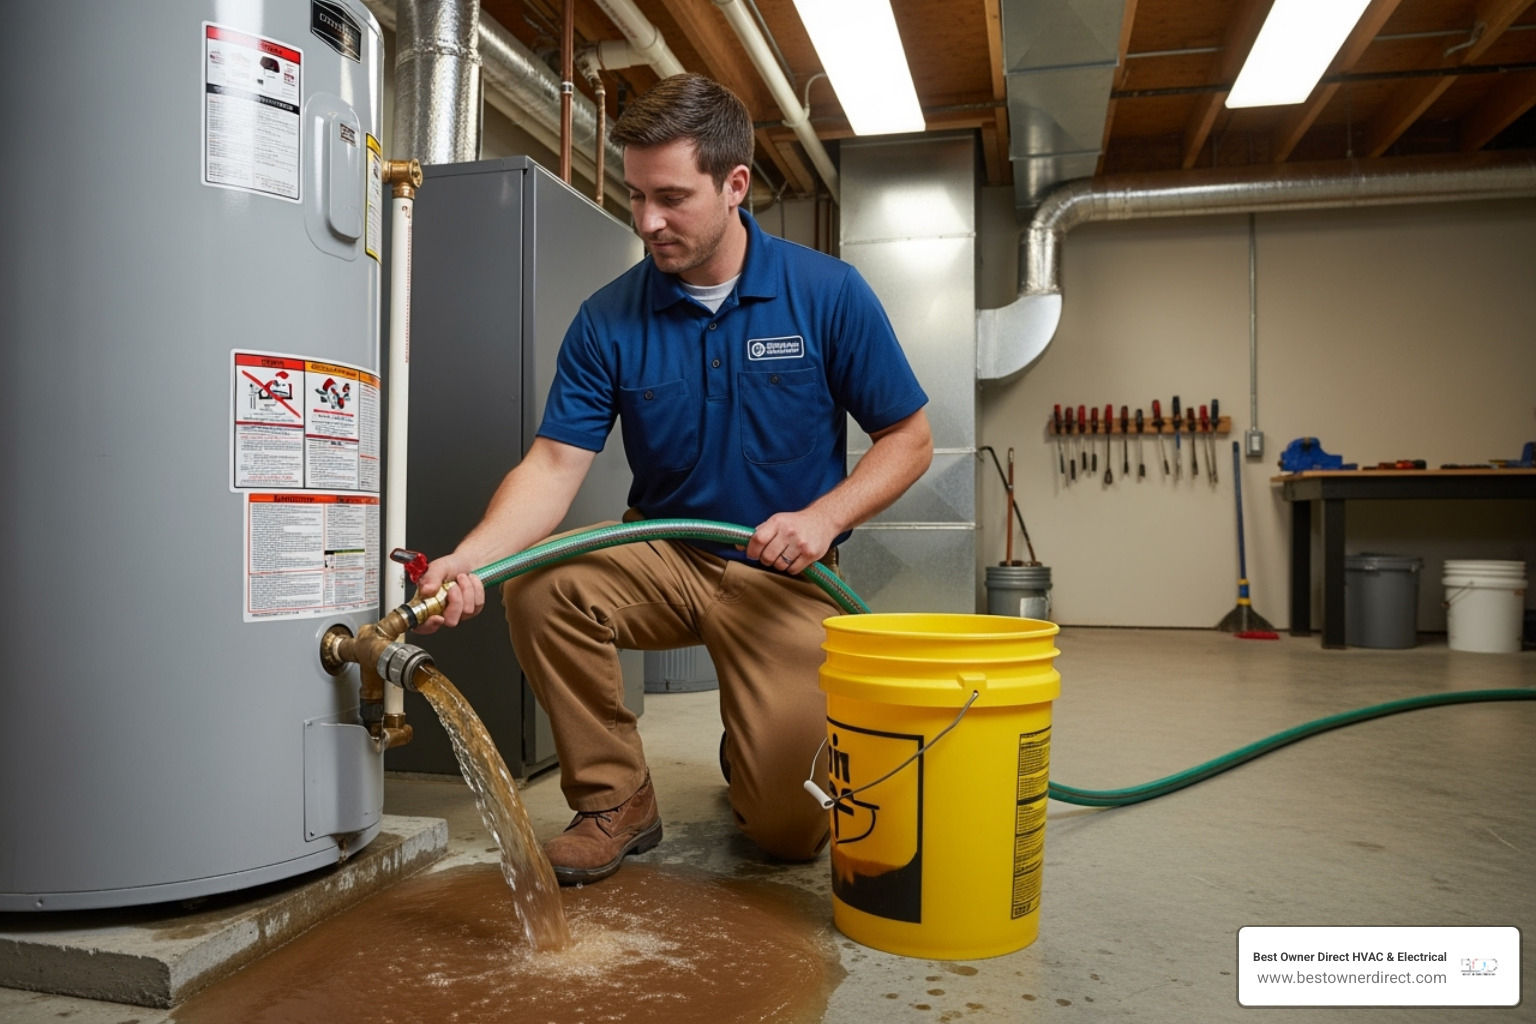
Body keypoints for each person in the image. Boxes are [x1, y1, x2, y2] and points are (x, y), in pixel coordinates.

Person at [415, 73, 932, 885]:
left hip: (786, 573)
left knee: (791, 831)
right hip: (663, 552)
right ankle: (617, 799)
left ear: (735, 185)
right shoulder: (608, 318)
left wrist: (825, 518)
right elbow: (553, 464)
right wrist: (471, 557)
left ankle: (754, 743)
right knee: (543, 589)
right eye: (635, 195)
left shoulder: (827, 293)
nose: (648, 221)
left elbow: (909, 437)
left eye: (671, 197)